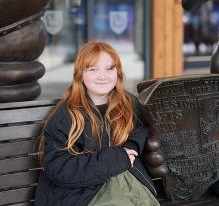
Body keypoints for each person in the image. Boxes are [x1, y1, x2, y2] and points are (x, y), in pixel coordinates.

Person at [35, 41, 159, 206]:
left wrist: (131, 148)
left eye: (109, 69)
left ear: (118, 73)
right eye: (93, 69)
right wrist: (115, 158)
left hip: (126, 183)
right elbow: (58, 168)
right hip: (80, 194)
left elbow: (140, 129)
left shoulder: (128, 103)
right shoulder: (66, 115)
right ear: (80, 75)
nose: (102, 76)